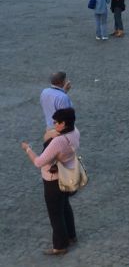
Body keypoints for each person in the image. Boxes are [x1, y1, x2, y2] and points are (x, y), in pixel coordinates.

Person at [21, 108, 80, 256]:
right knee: (65, 206)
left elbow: (39, 162)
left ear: (63, 124)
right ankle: (71, 236)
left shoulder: (58, 141)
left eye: (56, 122)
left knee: (55, 213)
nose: (54, 124)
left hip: (53, 181)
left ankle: (60, 245)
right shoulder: (75, 132)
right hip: (67, 176)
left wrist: (28, 149)